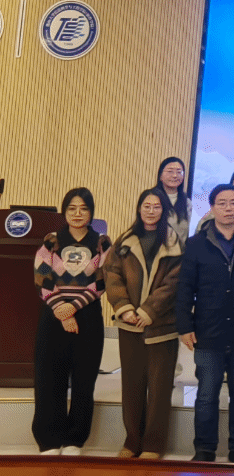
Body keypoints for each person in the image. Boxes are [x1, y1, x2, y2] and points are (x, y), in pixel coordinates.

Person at [176, 184, 234, 464]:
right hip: (208, 328)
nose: (228, 208)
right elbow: (185, 288)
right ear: (212, 208)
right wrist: (184, 325)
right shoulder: (196, 244)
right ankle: (204, 449)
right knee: (206, 394)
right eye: (222, 203)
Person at [104, 189, 183, 459]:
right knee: (132, 386)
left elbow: (174, 283)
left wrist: (149, 311)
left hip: (162, 326)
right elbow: (112, 275)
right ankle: (132, 442)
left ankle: (153, 445)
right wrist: (124, 308)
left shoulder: (174, 242)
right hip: (129, 326)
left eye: (156, 206)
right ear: (139, 209)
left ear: (164, 210)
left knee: (159, 390)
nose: (151, 211)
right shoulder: (124, 241)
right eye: (146, 206)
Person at [32, 188, 111, 456]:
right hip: (52, 314)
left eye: (83, 208)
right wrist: (61, 310)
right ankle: (49, 440)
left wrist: (73, 307)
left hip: (88, 315)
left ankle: (75, 439)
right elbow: (42, 276)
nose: (78, 214)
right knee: (48, 378)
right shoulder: (52, 241)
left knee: (83, 379)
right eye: (72, 208)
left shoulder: (101, 242)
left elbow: (102, 280)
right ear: (64, 211)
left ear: (91, 212)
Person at [156, 157, 192, 245]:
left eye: (179, 172)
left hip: (178, 250)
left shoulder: (186, 202)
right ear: (160, 175)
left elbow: (185, 233)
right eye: (170, 171)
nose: (175, 175)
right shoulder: (152, 197)